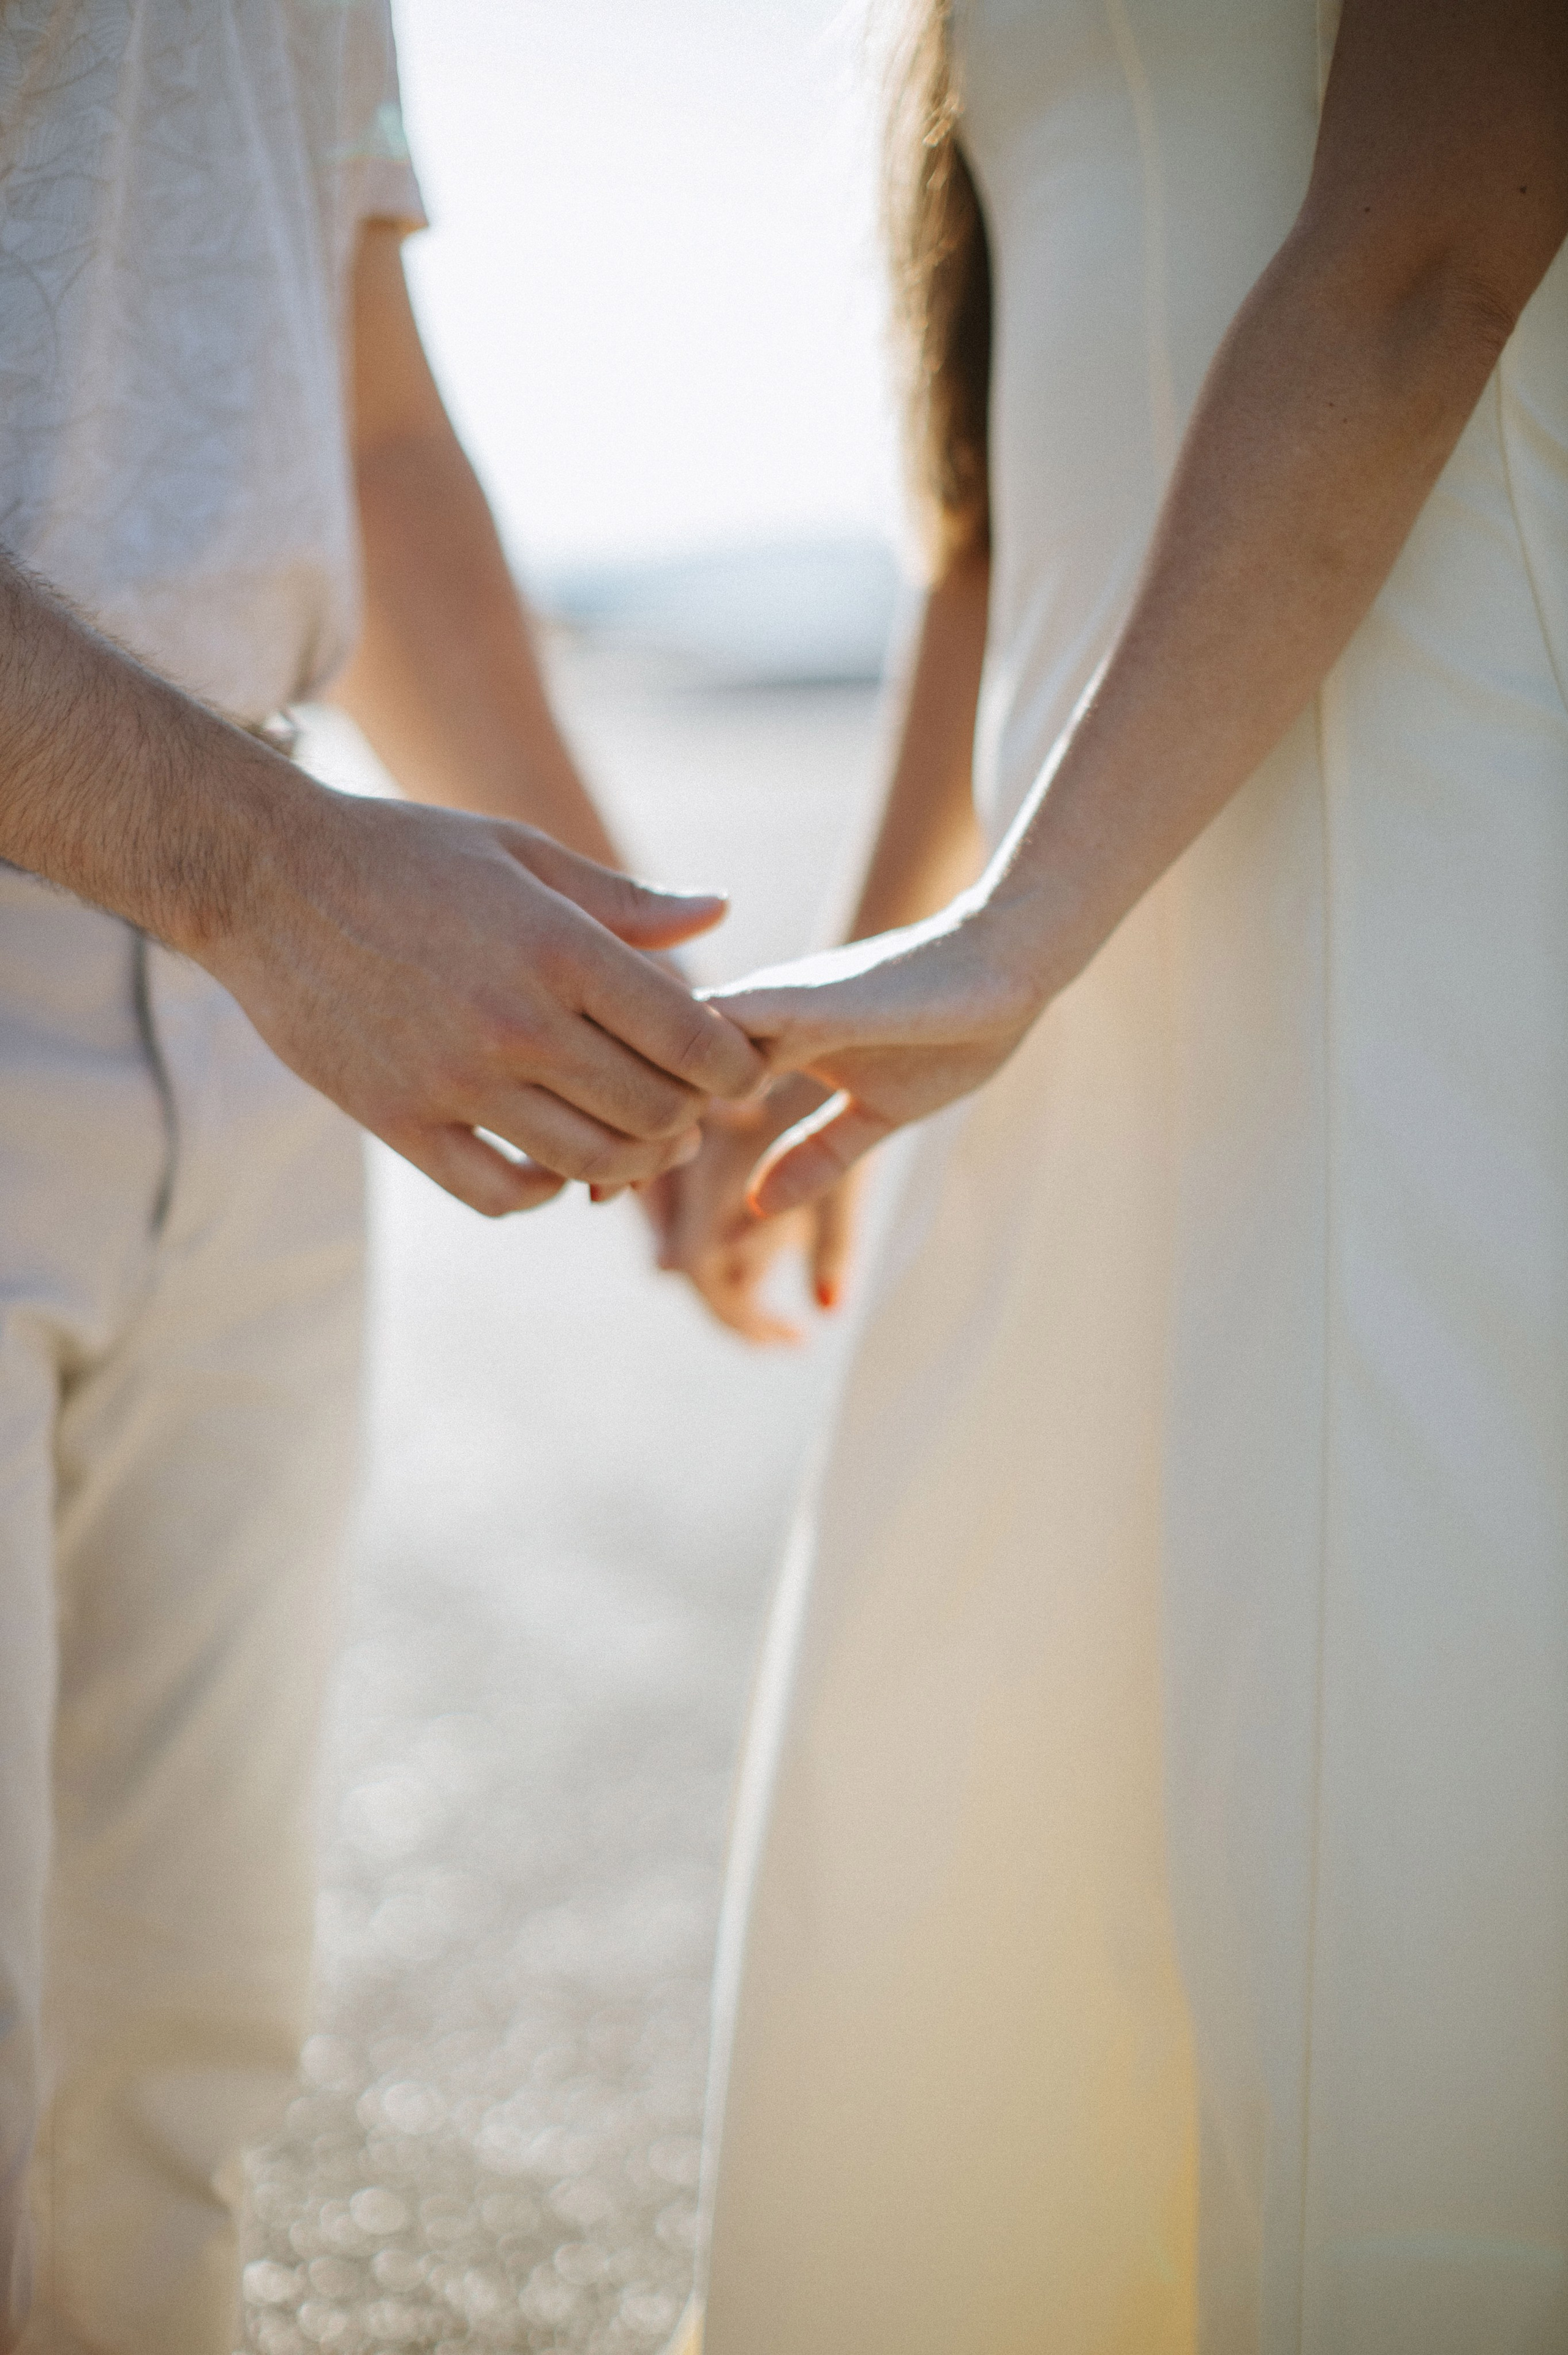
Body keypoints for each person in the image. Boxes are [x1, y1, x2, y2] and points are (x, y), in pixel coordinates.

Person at [660, 1, 1568, 2348]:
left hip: (1397, 866)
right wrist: (893, 959)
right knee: (997, 1825)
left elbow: (1430, 253)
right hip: (1052, 971)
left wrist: (1017, 928)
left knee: (1372, 1830)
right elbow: (982, 525)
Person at [0, 7, 763, 2350]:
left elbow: (376, 428)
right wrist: (278, 875)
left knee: (177, 2039)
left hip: (257, 992)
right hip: (257, 882)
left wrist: (627, 1007)